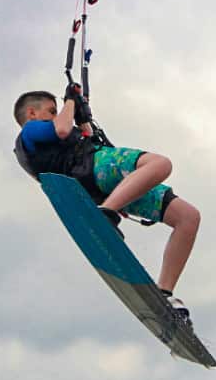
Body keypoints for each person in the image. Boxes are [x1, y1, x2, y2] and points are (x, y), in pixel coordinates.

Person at [13, 86, 200, 318]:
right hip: (95, 170)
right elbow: (62, 130)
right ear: (31, 113)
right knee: (160, 164)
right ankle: (107, 213)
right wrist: (70, 101)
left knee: (187, 217)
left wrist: (82, 116)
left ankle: (164, 293)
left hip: (103, 186)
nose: (57, 114)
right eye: (52, 111)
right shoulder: (30, 131)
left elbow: (82, 136)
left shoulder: (43, 141)